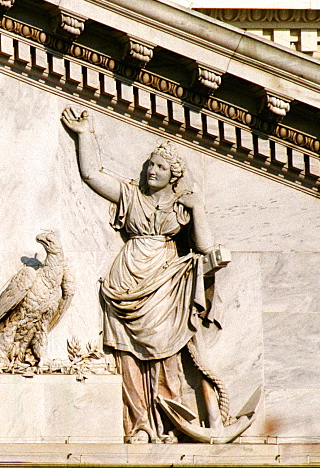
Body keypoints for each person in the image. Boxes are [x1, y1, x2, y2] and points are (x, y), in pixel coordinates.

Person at [61, 106, 224, 443]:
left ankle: (171, 422)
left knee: (165, 352)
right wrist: (84, 134)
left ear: (173, 175)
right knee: (127, 356)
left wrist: (198, 209)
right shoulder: (131, 196)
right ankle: (140, 425)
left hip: (164, 281)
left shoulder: (182, 205)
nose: (153, 170)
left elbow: (207, 247)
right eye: (151, 164)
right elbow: (91, 175)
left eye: (161, 167)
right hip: (126, 280)